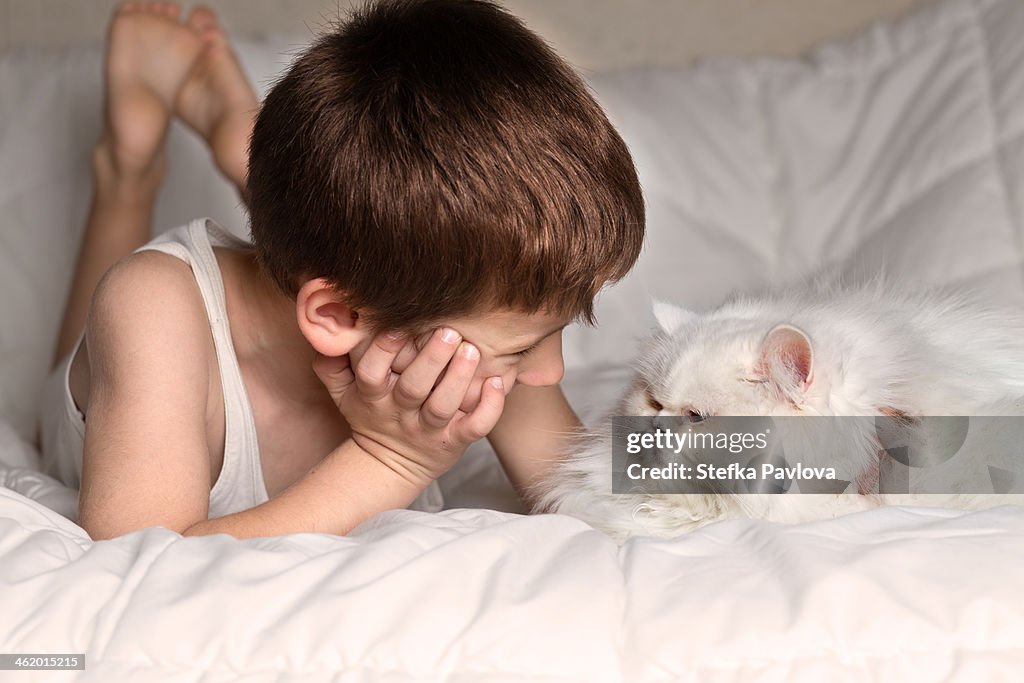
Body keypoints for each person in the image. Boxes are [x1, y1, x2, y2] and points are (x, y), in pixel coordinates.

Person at [40, 0, 645, 541]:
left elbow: (603, 488)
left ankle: (243, 142)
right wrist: (391, 459)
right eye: (521, 349)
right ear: (341, 316)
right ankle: (127, 173)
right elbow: (134, 570)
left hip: (348, 285)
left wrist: (736, 443)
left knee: (358, 233)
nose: (552, 371)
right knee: (114, 306)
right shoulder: (154, 308)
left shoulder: (486, 312)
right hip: (131, 361)